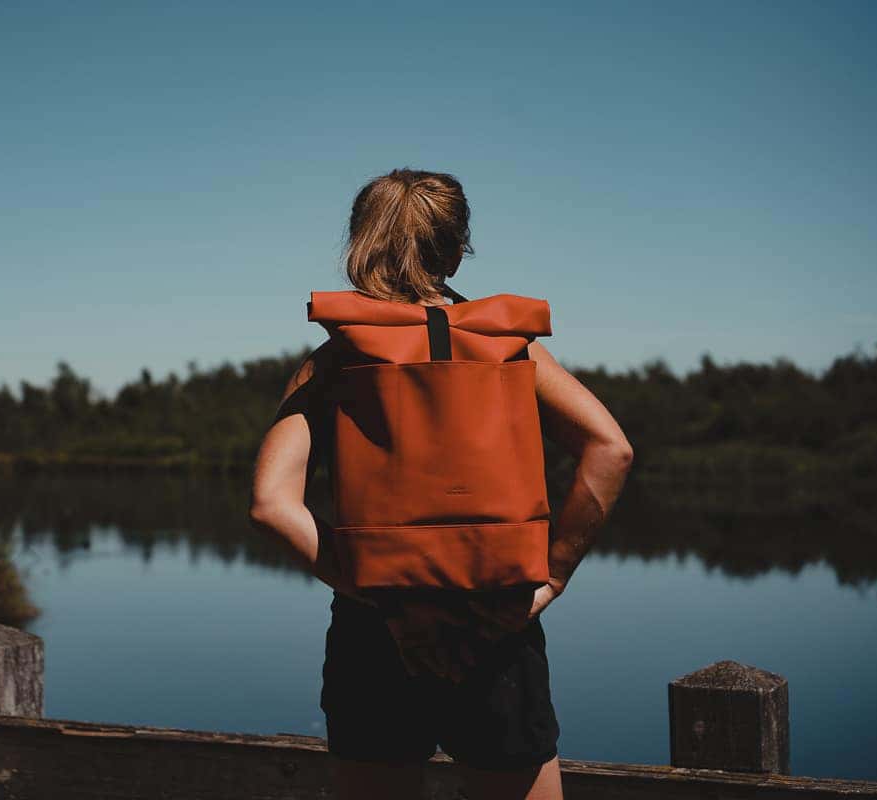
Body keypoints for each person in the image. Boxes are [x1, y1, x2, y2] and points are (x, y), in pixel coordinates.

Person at [248, 168, 634, 800]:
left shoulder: (339, 357)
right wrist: (553, 576)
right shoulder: (510, 349)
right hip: (498, 620)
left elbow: (270, 504)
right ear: (457, 248)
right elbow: (610, 449)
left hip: (375, 632)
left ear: (360, 242)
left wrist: (387, 602)